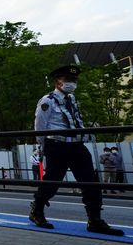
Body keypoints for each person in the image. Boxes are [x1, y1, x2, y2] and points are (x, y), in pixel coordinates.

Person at [28, 65, 123, 235]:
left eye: (74, 80)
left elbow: (77, 119)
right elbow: (40, 125)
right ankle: (37, 211)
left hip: (77, 145)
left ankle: (95, 220)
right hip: (57, 145)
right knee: (52, 181)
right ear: (58, 82)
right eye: (68, 80)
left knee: (91, 182)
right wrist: (45, 146)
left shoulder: (72, 99)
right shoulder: (47, 100)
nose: (72, 83)